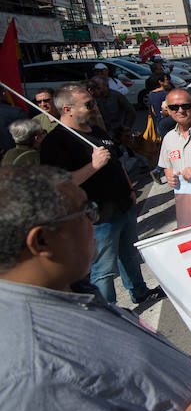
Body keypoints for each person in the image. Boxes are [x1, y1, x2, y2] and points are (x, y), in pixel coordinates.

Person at [0, 166, 191, 411]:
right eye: (85, 212)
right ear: (42, 241)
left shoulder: (63, 287)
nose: (94, 220)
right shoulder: (31, 372)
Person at [39, 83, 161, 305]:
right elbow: (58, 184)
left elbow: (115, 162)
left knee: (130, 256)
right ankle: (109, 309)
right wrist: (93, 166)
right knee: (103, 269)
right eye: (88, 104)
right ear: (67, 109)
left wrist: (130, 188)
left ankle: (140, 291)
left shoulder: (95, 130)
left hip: (123, 205)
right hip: (97, 217)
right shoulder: (56, 142)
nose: (95, 107)